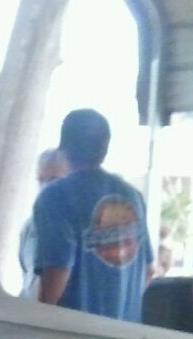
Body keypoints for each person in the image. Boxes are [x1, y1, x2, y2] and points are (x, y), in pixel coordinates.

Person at [34, 109, 153, 322]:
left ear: (63, 148)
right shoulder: (132, 196)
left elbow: (56, 277)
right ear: (106, 146)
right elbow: (149, 270)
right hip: (126, 337)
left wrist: (35, 323)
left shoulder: (56, 196)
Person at [17, 148, 69, 296]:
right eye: (41, 180)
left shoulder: (81, 230)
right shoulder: (29, 228)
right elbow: (27, 279)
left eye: (54, 180)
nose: (45, 187)